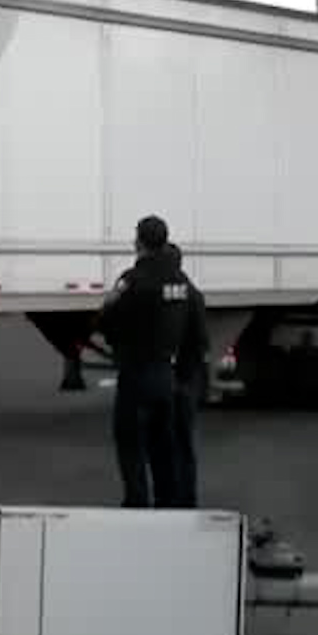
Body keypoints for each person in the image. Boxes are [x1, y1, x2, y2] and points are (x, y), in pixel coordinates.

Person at [96, 216, 204, 509]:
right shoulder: (182, 283)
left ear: (139, 242)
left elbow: (106, 318)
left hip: (136, 372)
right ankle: (168, 504)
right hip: (166, 375)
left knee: (131, 444)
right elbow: (196, 335)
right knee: (163, 446)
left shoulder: (132, 280)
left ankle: (137, 503)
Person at [165, 243, 209, 508]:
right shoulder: (193, 294)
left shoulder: (164, 293)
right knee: (184, 442)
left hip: (165, 375)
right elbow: (202, 341)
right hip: (186, 377)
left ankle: (169, 497)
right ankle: (187, 497)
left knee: (163, 441)